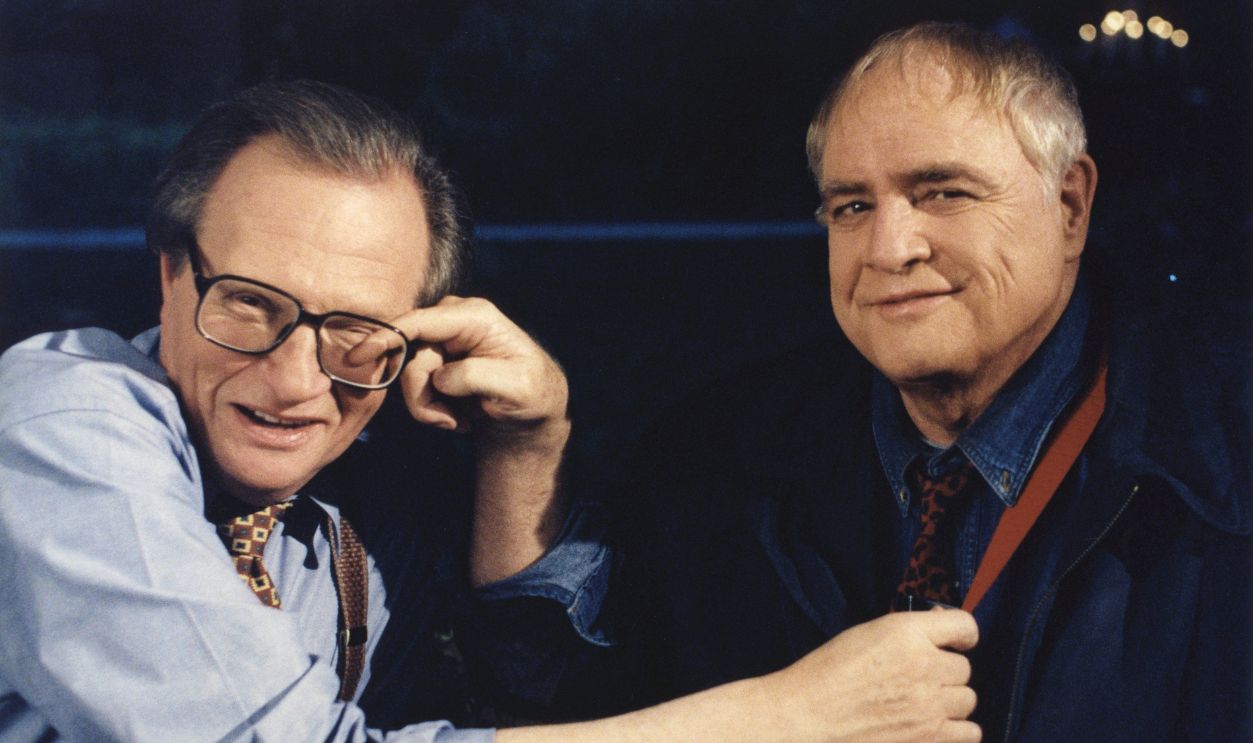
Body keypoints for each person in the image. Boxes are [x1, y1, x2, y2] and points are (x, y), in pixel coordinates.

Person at [0, 79, 981, 742]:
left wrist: (523, 447)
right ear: (170, 275)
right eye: (252, 304)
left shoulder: (359, 461)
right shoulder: (59, 426)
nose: (297, 378)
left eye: (353, 328)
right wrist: (788, 716)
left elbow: (527, 693)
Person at [596, 21, 1250, 743]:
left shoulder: (1227, 459)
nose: (889, 249)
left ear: (1068, 206)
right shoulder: (707, 467)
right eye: (851, 206)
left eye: (941, 193)